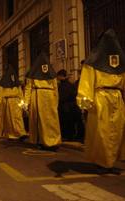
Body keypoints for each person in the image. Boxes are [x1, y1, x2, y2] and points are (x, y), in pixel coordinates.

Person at [77, 29, 125, 172]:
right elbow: (87, 84)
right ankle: (103, 162)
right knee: (102, 132)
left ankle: (110, 160)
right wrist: (85, 105)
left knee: (117, 131)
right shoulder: (92, 63)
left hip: (116, 98)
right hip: (100, 99)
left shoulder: (121, 63)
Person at [24, 52, 61, 149]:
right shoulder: (51, 74)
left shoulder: (32, 74)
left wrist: (26, 102)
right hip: (46, 97)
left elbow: (28, 88)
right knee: (47, 120)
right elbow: (55, 89)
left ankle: (47, 141)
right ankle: (46, 141)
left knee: (44, 120)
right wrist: (56, 101)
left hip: (38, 96)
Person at [0, 64, 27, 140]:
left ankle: (21, 133)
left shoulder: (7, 83)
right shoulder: (5, 83)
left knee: (17, 118)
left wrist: (23, 104)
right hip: (8, 102)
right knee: (10, 120)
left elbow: (20, 93)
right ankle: (11, 134)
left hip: (14, 102)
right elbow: (20, 94)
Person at [57, 69, 76, 140]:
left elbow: (62, 96)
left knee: (65, 122)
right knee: (70, 122)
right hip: (70, 106)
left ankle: (66, 136)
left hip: (65, 107)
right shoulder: (70, 84)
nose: (57, 78)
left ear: (62, 76)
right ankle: (70, 135)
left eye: (58, 76)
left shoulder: (62, 85)